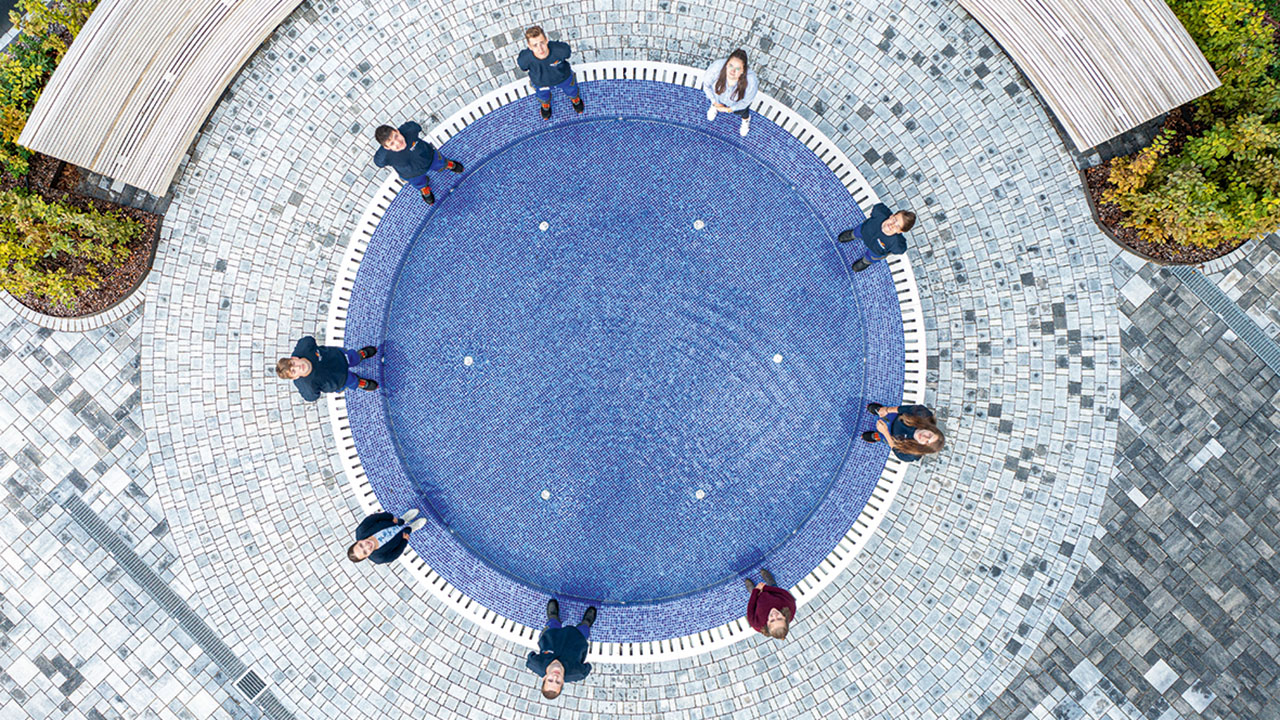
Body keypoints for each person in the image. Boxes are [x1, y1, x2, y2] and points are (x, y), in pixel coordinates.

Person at [373, 121, 464, 205]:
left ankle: (449, 165)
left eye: (396, 136)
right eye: (392, 143)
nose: (398, 142)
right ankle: (424, 189)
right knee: (419, 183)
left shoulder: (410, 130)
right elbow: (378, 162)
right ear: (387, 147)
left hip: (429, 157)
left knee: (441, 163)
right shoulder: (384, 156)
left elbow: (416, 126)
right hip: (412, 174)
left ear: (397, 131)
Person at [526, 598, 596, 700]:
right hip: (577, 639)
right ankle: (586, 622)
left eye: (550, 680)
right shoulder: (576, 673)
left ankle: (553, 616)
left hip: (552, 635)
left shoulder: (535, 664)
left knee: (553, 623)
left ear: (544, 677)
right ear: (563, 682)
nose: (555, 677)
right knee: (584, 629)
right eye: (558, 682)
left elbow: (531, 656)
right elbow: (587, 667)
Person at [276, 337, 379, 401]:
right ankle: (359, 382)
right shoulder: (306, 385)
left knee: (353, 357)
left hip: (340, 357)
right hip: (339, 380)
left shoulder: (304, 349)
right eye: (294, 371)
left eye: (293, 363)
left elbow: (308, 339)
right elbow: (311, 397)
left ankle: (360, 355)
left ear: (294, 358)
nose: (298, 367)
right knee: (352, 381)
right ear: (295, 377)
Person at [517, 26, 584, 120]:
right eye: (535, 45)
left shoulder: (560, 50)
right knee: (543, 96)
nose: (540, 49)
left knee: (571, 89)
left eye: (542, 43)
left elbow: (567, 53)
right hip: (541, 83)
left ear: (546, 40)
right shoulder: (524, 59)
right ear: (529, 46)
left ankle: (575, 99)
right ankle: (545, 105)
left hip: (564, 78)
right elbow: (524, 67)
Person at [838, 203, 916, 272]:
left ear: (900, 232)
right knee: (857, 232)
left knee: (872, 257)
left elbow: (901, 249)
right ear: (891, 216)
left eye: (897, 226)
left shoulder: (896, 244)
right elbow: (878, 206)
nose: (892, 225)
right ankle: (852, 235)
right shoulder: (879, 213)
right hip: (864, 231)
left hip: (876, 251)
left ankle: (865, 261)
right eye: (894, 219)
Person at [702, 49, 758, 136]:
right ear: (726, 64)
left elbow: (746, 101)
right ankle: (714, 107)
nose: (732, 71)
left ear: (743, 71)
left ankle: (746, 121)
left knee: (743, 112)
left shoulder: (750, 81)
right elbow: (706, 85)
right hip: (718, 97)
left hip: (736, 102)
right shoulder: (716, 69)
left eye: (737, 68)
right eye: (731, 65)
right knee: (716, 99)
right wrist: (715, 102)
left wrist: (729, 109)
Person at [862, 403, 945, 461]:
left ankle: (878, 436)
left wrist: (885, 432)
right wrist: (887, 410)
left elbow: (897, 450)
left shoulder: (912, 454)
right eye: (929, 435)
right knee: (886, 413)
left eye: (927, 442)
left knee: (884, 438)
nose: (924, 437)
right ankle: (880, 411)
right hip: (897, 418)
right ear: (931, 429)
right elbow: (905, 409)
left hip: (892, 436)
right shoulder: (923, 414)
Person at [347, 509, 427, 564]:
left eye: (361, 545)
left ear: (358, 541)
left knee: (400, 521)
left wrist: (390, 517)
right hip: (399, 538)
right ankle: (412, 527)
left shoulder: (361, 530)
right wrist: (404, 541)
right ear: (367, 556)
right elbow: (395, 554)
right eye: (365, 552)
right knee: (407, 531)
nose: (367, 546)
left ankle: (404, 519)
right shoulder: (379, 558)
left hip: (391, 523)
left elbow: (374, 518)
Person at [744, 568, 795, 640]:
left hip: (758, 600)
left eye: (772, 620)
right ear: (784, 618)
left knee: (753, 593)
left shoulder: (757, 624)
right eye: (779, 618)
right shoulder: (790, 607)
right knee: (773, 586)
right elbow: (783, 592)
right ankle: (771, 582)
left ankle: (752, 590)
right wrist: (765, 588)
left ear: (767, 623)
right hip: (773, 593)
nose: (774, 615)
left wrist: (755, 591)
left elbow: (750, 608)